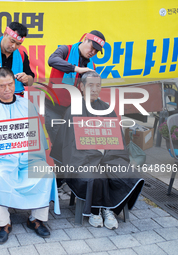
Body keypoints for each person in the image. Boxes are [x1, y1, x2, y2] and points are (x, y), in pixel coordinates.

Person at [0, 67, 60, 243]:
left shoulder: (26, 105)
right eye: (2, 86)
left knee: (45, 172)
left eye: (10, 84)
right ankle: (3, 223)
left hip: (26, 157)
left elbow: (36, 137)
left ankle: (36, 220)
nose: (7, 89)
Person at [51, 71, 144, 230]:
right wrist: (95, 154)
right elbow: (70, 146)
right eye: (90, 85)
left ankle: (109, 209)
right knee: (95, 175)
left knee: (127, 173)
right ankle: (95, 211)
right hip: (82, 160)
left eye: (98, 86)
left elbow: (117, 141)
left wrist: (105, 155)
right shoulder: (72, 111)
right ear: (81, 87)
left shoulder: (107, 109)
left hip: (108, 156)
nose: (94, 89)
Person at [45, 30, 106, 144]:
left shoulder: (91, 65)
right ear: (84, 40)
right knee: (58, 147)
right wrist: (76, 69)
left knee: (74, 146)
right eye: (92, 47)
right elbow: (52, 60)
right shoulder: (65, 50)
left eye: (96, 51)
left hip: (74, 112)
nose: (93, 52)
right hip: (54, 109)